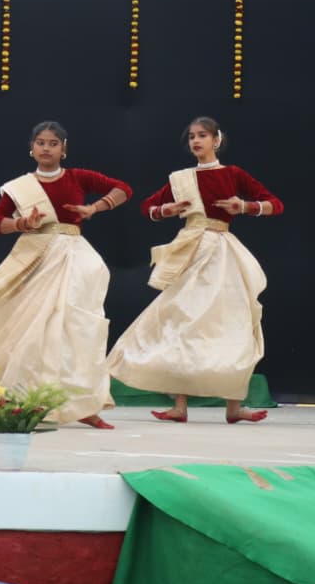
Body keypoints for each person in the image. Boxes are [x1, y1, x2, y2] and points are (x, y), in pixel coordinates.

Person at [0, 121, 130, 429]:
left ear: (64, 149)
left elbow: (123, 189)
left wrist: (95, 208)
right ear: (31, 148)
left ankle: (82, 404)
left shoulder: (77, 177)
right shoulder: (21, 187)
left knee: (76, 331)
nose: (46, 148)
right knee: (31, 331)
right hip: (38, 260)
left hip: (76, 260)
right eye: (41, 142)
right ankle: (17, 398)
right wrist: (22, 224)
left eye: (53, 143)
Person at [107, 116, 283, 424]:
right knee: (181, 321)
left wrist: (244, 206)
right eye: (191, 136)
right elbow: (147, 207)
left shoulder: (232, 174)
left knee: (232, 323)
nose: (196, 141)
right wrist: (167, 210)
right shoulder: (182, 179)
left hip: (223, 254)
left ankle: (234, 407)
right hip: (191, 251)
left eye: (202, 135)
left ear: (216, 140)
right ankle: (180, 406)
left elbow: (274, 204)